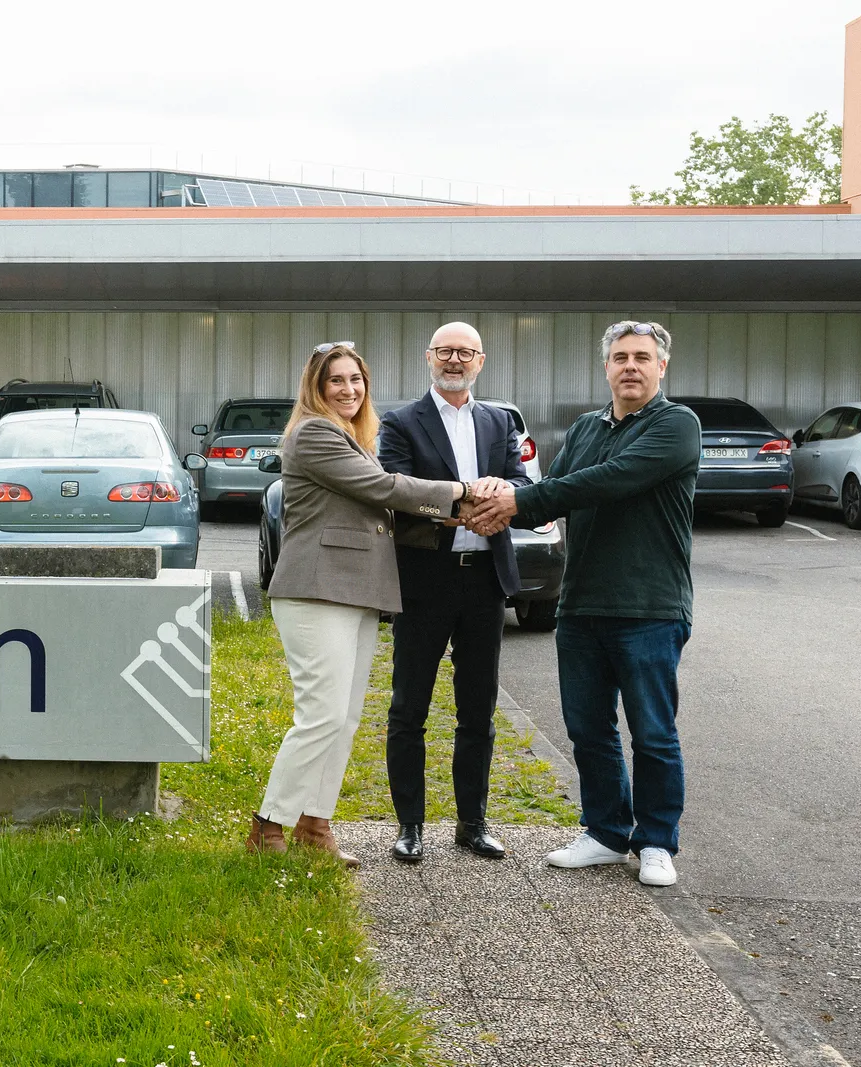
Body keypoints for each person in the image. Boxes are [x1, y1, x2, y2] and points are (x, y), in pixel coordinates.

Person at [466, 321, 700, 887]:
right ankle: (605, 833)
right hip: (581, 606)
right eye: (620, 357)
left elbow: (610, 480)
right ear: (606, 367)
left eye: (641, 357)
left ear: (661, 366)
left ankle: (656, 842)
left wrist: (515, 500)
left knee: (653, 733)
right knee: (588, 729)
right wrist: (494, 498)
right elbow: (555, 494)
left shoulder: (677, 425)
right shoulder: (586, 428)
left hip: (650, 607)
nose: (630, 366)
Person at [247, 341, 468, 868]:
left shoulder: (353, 437)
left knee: (343, 718)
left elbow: (378, 515)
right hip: (316, 590)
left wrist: (449, 517)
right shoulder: (314, 433)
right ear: (316, 388)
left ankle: (315, 824)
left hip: (358, 591)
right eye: (336, 381)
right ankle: (268, 824)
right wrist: (460, 492)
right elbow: (381, 488)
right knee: (320, 715)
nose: (349, 390)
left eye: (356, 380)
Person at [377, 322, 530, 863]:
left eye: (466, 352)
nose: (455, 360)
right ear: (429, 357)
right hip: (425, 580)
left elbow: (521, 483)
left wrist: (500, 494)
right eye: (445, 351)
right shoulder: (400, 422)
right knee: (408, 708)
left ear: (481, 361)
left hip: (485, 580)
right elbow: (396, 491)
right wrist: (461, 507)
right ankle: (410, 826)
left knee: (478, 710)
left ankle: (473, 823)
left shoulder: (499, 421)